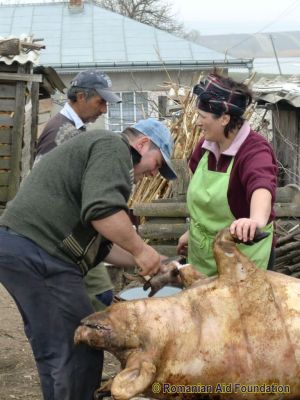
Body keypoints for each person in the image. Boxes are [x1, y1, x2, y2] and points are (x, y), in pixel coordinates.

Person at [0, 118, 177, 400]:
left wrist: (145, 258)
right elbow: (102, 212)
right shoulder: (113, 146)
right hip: (39, 252)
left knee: (58, 347)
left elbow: (104, 245)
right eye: (157, 164)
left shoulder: (101, 156)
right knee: (79, 346)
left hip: (27, 249)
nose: (154, 173)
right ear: (142, 144)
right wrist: (143, 250)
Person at [35, 69, 122, 310]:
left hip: (65, 236)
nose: (104, 109)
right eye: (100, 101)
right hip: (59, 238)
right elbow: (45, 190)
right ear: (81, 97)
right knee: (96, 298)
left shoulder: (72, 129)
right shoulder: (62, 133)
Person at [177, 71, 278, 276]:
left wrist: (255, 220)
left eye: (202, 117)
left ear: (224, 118)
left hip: (242, 259)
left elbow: (261, 186)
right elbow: (206, 205)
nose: (197, 122)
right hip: (204, 256)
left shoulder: (254, 150)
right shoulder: (205, 147)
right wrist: (192, 232)